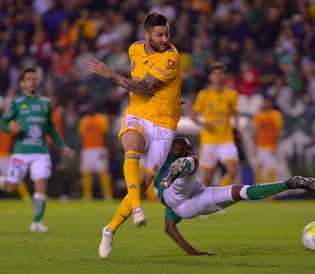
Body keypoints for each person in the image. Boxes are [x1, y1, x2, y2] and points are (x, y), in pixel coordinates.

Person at [98, 137, 315, 257]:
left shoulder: (166, 147)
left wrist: (194, 253)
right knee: (190, 168)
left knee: (240, 191)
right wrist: (193, 252)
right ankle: (182, 168)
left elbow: (169, 228)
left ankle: (289, 183)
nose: (182, 145)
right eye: (183, 147)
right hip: (176, 198)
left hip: (196, 194)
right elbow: (168, 228)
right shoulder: (159, 150)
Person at [88, 13, 182, 234]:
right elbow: (142, 83)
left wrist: (108, 74)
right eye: (160, 34)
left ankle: (109, 230)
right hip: (138, 114)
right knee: (132, 146)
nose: (165, 39)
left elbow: (143, 87)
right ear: (146, 35)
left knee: (140, 186)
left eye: (167, 33)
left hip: (164, 124)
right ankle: (138, 207)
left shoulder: (171, 58)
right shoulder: (134, 49)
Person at [0, 67, 75, 232]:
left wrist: (62, 146)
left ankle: (37, 222)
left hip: (41, 151)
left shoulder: (45, 102)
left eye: (34, 79)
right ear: (22, 83)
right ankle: (1, 182)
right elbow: (3, 123)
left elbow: (51, 128)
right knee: (11, 187)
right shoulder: (17, 103)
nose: (32, 82)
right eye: (29, 79)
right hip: (21, 151)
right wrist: (11, 127)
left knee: (41, 182)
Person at [190, 62, 240, 187]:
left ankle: (221, 196)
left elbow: (234, 113)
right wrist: (204, 124)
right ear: (211, 77)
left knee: (232, 171)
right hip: (209, 140)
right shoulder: (204, 94)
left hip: (226, 138)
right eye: (215, 74)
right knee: (207, 176)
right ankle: (208, 203)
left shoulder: (232, 94)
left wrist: (238, 126)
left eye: (221, 74)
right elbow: (193, 115)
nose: (218, 77)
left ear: (225, 76)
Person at [0, 103, 31, 201]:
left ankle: (26, 197)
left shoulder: (9, 125)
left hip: (5, 156)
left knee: (15, 177)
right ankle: (26, 197)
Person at [78, 101, 112, 200]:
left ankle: (108, 195)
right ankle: (87, 195)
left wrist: (105, 149)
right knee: (86, 173)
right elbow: (82, 136)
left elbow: (105, 134)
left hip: (99, 148)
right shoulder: (83, 120)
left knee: (103, 172)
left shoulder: (102, 118)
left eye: (92, 106)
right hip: (86, 149)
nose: (90, 108)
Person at [252, 95, 284, 183]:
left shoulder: (276, 115)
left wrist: (276, 147)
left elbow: (278, 132)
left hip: (271, 147)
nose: (266, 103)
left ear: (271, 103)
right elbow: (256, 131)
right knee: (258, 169)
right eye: (265, 101)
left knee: (271, 170)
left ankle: (271, 195)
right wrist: (255, 147)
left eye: (268, 101)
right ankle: (260, 193)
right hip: (260, 146)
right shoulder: (258, 115)